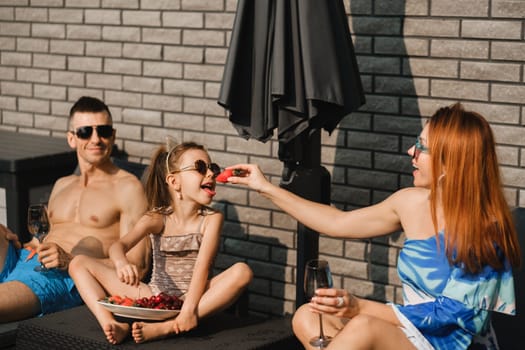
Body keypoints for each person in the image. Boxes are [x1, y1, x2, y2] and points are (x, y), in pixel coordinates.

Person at [226, 103, 521, 349]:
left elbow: (454, 317)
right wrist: (264, 187)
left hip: (455, 344)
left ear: (450, 162)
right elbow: (336, 221)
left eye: (422, 147)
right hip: (411, 335)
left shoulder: (485, 229)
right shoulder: (410, 202)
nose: (410, 152)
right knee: (307, 316)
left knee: (365, 327)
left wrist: (360, 307)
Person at [69, 141, 253, 345]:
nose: (210, 173)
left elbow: (203, 266)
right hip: (153, 295)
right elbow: (118, 246)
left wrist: (189, 309)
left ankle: (168, 327)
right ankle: (111, 324)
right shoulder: (157, 218)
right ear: (174, 182)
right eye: (200, 168)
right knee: (78, 263)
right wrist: (121, 263)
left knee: (242, 271)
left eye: (212, 168)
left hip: (196, 299)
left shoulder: (212, 219)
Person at [0, 96, 149, 322]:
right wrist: (11, 237)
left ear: (113, 136)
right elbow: (40, 240)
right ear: (71, 138)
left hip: (63, 276)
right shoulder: (62, 184)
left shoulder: (128, 188)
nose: (96, 139)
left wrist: (70, 260)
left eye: (104, 131)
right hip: (26, 259)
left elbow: (138, 265)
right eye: (85, 132)